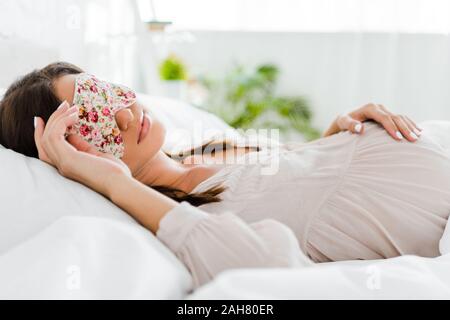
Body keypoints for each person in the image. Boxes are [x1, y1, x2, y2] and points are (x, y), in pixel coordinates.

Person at [1, 62, 449, 289]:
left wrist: (331, 141)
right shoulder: (175, 219)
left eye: (103, 92)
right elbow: (273, 274)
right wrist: (113, 182)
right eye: (91, 121)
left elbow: (297, 185)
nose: (121, 114)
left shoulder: (201, 147)